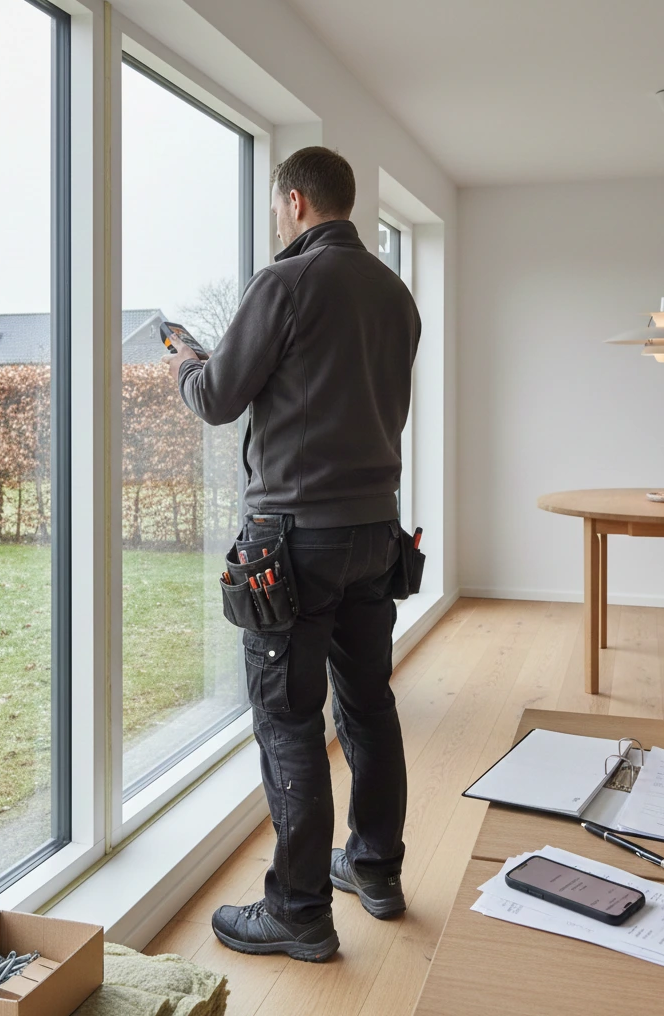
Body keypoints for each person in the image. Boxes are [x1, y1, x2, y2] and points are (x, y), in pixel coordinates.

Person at [166, 146, 420, 962]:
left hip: (293, 540)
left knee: (287, 718)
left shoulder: (284, 283)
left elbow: (217, 399)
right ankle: (375, 870)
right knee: (369, 705)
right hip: (374, 532)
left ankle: (300, 910)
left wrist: (185, 365)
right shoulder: (395, 295)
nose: (280, 216)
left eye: (280, 206)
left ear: (297, 201)